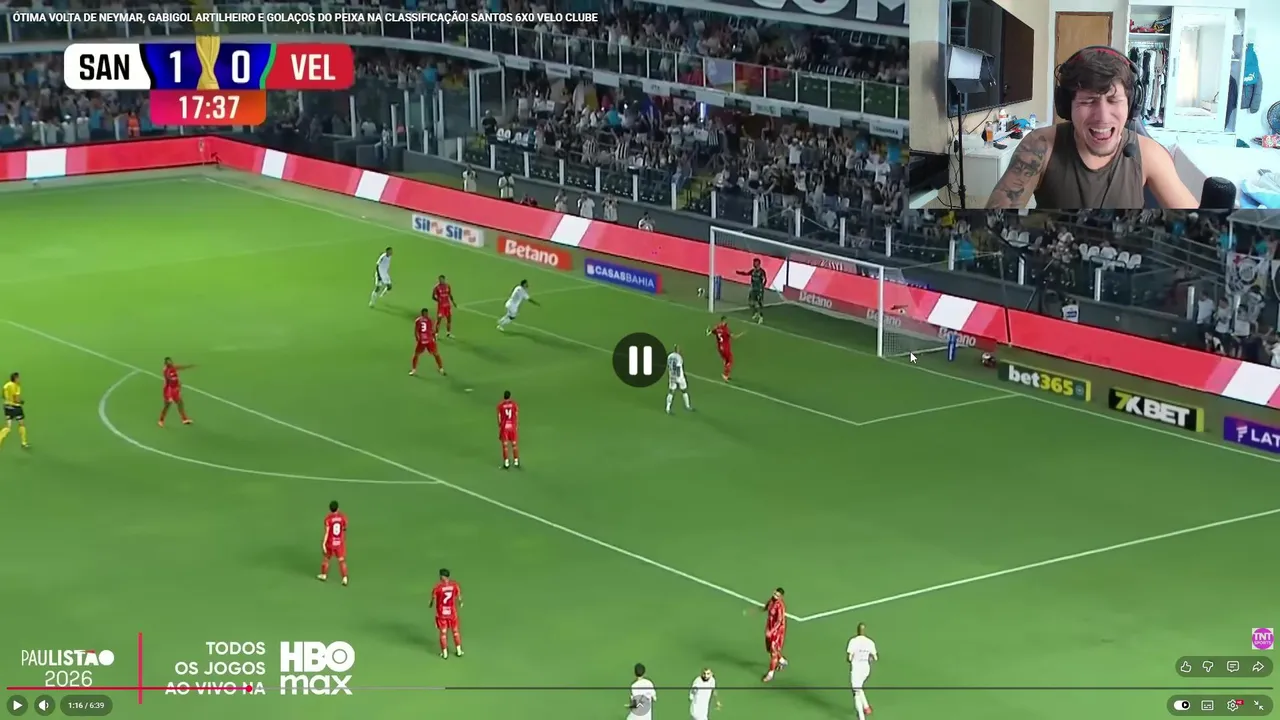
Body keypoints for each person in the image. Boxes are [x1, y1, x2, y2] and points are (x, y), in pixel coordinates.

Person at [986, 46, 1196, 210]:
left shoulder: (1150, 154)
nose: (1102, 117)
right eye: (1088, 101)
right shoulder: (1039, 146)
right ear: (1067, 107)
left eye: (1114, 100)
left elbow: (1199, 230)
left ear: (1131, 105)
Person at [430, 568, 464, 658]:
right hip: (452, 613)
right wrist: (460, 603)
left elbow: (433, 597)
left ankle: (444, 654)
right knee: (455, 631)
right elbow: (459, 596)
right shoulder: (454, 585)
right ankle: (459, 651)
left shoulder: (438, 587)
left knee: (443, 633)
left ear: (442, 576)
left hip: (442, 613)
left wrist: (431, 604)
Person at [847, 622, 878, 719]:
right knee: (859, 687)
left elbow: (849, 658)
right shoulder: (870, 642)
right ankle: (866, 707)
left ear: (857, 631)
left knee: (856, 693)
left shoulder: (853, 641)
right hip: (866, 669)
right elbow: (875, 658)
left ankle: (861, 717)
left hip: (856, 670)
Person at [761, 587, 788, 682]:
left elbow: (779, 621)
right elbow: (768, 605)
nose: (775, 596)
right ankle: (782, 661)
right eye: (774, 594)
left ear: (781, 597)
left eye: (777, 595)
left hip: (777, 631)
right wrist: (764, 608)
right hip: (770, 628)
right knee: (771, 649)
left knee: (773, 652)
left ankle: (770, 674)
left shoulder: (780, 606)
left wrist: (772, 631)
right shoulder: (772, 600)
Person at [318, 501, 348, 586]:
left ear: (330, 509)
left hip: (330, 543)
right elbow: (344, 528)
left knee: (326, 558)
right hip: (339, 543)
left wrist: (324, 543)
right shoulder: (343, 517)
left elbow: (327, 532)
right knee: (341, 560)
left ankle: (323, 575)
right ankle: (344, 578)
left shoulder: (328, 519)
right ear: (338, 508)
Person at [158, 357, 193, 427]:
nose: (170, 363)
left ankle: (184, 419)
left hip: (175, 390)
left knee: (180, 403)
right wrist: (170, 396)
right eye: (168, 362)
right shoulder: (166, 371)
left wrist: (189, 366)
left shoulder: (173, 367)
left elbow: (180, 367)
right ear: (166, 364)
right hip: (168, 390)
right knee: (167, 406)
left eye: (170, 361)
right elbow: (169, 382)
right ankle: (161, 420)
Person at [411, 309, 445, 376]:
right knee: (436, 354)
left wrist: (417, 339)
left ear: (421, 313)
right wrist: (434, 337)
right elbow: (432, 330)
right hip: (429, 340)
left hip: (422, 340)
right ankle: (441, 369)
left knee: (416, 354)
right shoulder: (430, 320)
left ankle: (413, 370)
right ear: (427, 313)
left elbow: (416, 331)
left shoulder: (418, 320)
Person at [707, 317, 743, 382]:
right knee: (730, 361)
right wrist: (740, 335)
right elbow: (734, 336)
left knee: (726, 361)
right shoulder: (726, 329)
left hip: (720, 348)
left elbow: (712, 332)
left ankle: (727, 374)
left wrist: (709, 331)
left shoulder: (717, 327)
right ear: (724, 321)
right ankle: (725, 375)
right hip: (725, 348)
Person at [0, 371, 28, 449]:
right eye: (18, 378)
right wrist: (21, 401)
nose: (19, 379)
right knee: (21, 424)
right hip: (15, 408)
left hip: (7, 407)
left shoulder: (6, 385)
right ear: (15, 379)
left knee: (8, 427)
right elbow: (16, 398)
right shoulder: (16, 386)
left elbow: (3, 396)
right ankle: (24, 442)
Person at [735, 258, 767, 324]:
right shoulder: (753, 271)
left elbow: (765, 280)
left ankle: (761, 317)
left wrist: (762, 287)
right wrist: (739, 272)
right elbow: (746, 273)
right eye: (754, 262)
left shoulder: (762, 272)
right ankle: (756, 312)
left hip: (759, 290)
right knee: (751, 303)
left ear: (758, 263)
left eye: (755, 263)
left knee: (759, 303)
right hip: (753, 289)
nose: (754, 264)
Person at [665, 344, 692, 414]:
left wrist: (672, 375)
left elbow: (668, 366)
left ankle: (667, 408)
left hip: (672, 376)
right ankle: (687, 406)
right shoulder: (679, 357)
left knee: (671, 391)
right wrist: (678, 377)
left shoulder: (670, 356)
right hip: (679, 377)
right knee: (684, 390)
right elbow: (678, 367)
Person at [497, 390, 520, 469]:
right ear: (510, 396)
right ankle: (516, 461)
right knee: (514, 444)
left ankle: (506, 463)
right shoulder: (514, 404)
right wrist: (516, 425)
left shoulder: (500, 405)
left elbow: (499, 417)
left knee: (505, 446)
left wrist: (500, 426)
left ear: (504, 396)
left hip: (504, 428)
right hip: (512, 427)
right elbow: (516, 415)